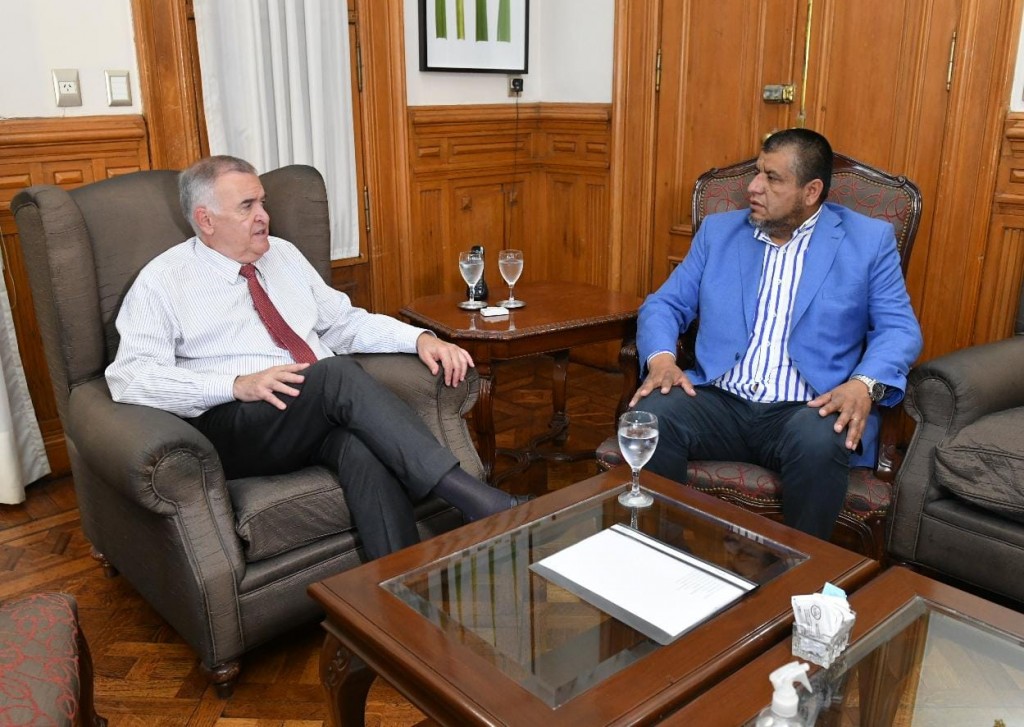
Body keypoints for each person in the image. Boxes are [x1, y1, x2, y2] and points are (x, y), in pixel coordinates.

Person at [106, 155, 526, 560]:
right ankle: (479, 501)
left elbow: (342, 322)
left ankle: (397, 585)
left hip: (307, 411)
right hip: (236, 422)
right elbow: (130, 377)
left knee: (360, 447)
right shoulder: (163, 281)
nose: (263, 216)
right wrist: (235, 385)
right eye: (247, 206)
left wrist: (417, 339)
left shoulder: (283, 255)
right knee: (336, 374)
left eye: (263, 202)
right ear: (206, 220)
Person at [631, 129, 922, 539]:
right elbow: (664, 304)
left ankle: (802, 569)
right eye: (757, 172)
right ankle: (664, 553)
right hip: (719, 400)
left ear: (811, 191)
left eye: (772, 178)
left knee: (821, 441)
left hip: (805, 409)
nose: (753, 187)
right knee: (654, 415)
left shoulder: (868, 241)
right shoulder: (719, 233)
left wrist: (863, 384)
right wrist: (661, 359)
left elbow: (899, 328)